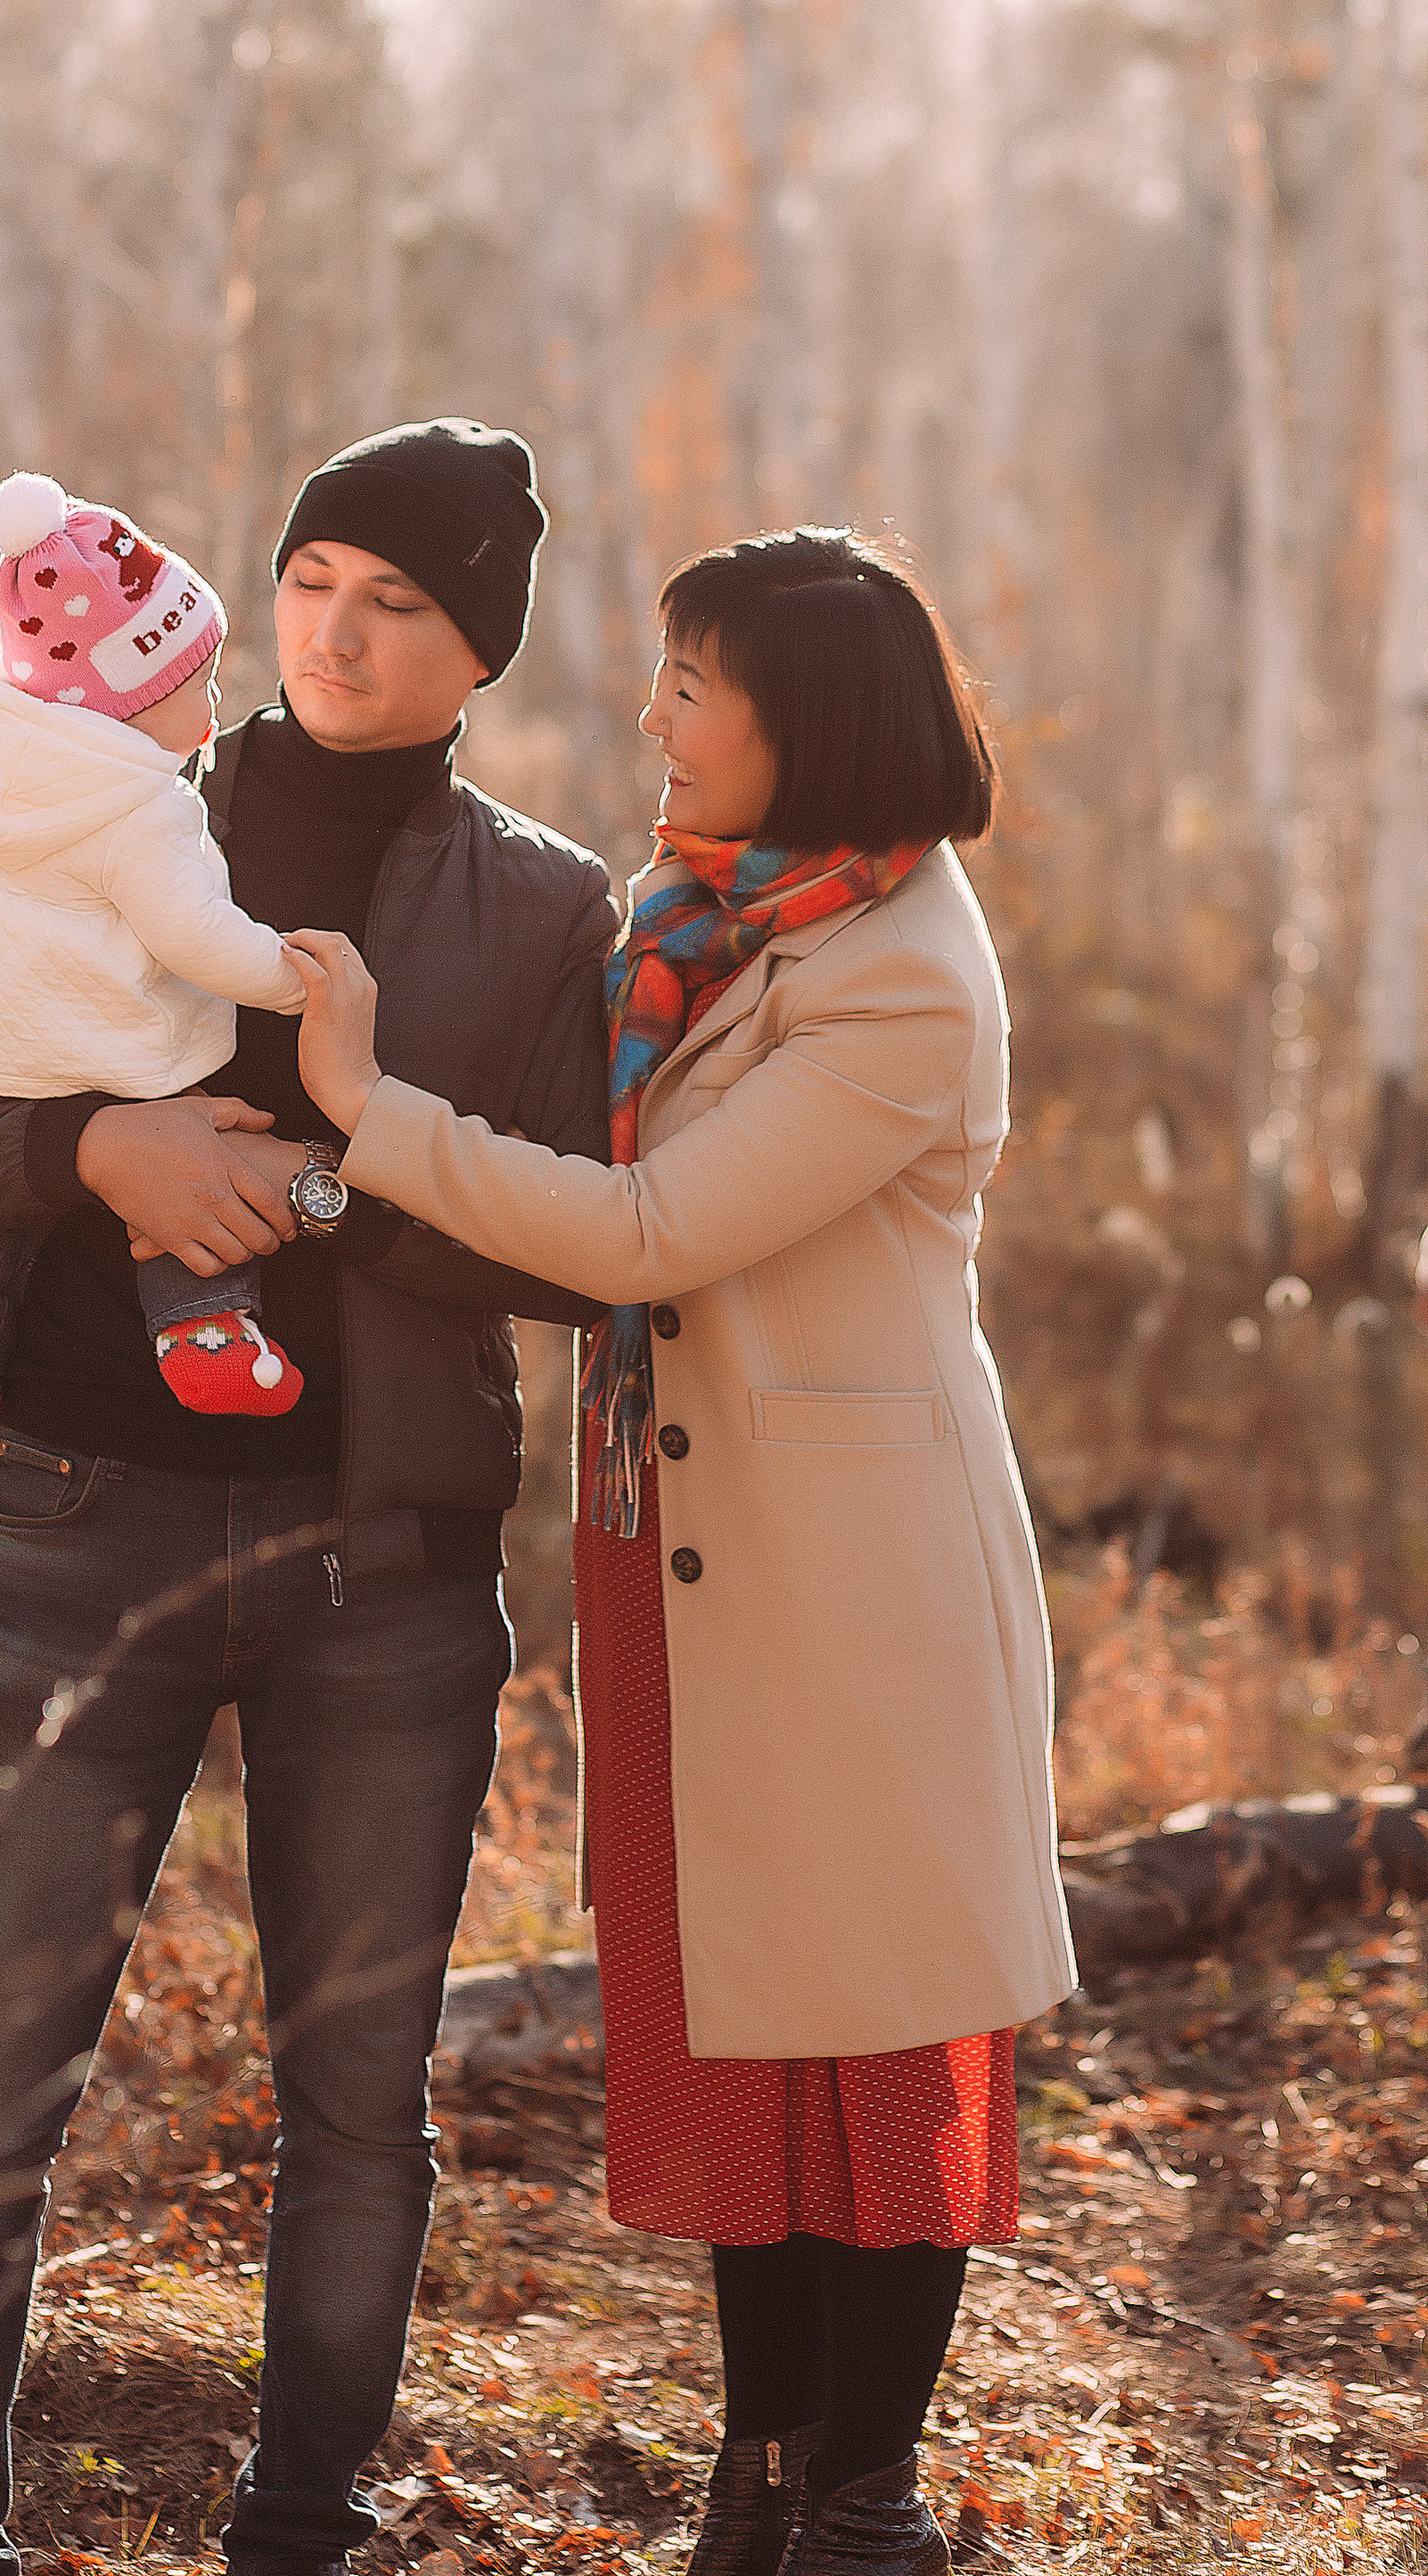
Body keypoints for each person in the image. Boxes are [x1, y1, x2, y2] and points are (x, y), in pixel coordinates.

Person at [0, 418, 619, 2576]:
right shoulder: (99, 777)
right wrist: (95, 1150)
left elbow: (576, 1240)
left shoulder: (544, 905)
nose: (337, 633)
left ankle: (300, 2526)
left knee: (357, 2095)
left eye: (400, 604)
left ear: (478, 656)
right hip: (82, 1516)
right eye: (310, 581)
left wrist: (331, 1181)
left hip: (384, 1572)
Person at [285, 528, 1077, 2576]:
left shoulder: (897, 969)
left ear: (795, 726)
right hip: (691, 1541)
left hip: (851, 1572)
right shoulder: (713, 920)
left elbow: (647, 1234)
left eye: (687, 686)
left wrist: (362, 1108)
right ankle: (762, 2470)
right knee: (738, 2008)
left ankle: (860, 2498)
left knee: (874, 2022)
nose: (653, 717)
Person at [0, 470, 312, 1443]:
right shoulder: (143, 808)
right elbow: (192, 933)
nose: (210, 713)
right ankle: (205, 1330)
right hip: (103, 1042)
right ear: (124, 700)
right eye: (195, 690)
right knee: (177, 1141)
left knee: (0, 1195)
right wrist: (286, 978)